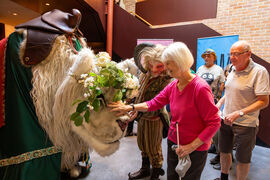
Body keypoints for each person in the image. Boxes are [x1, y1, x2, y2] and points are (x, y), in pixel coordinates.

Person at [109, 42, 221, 180]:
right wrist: (131, 107)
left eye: (168, 63)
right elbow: (154, 102)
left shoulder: (200, 88)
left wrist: (191, 147)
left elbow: (214, 123)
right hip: (174, 142)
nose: (165, 68)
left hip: (195, 149)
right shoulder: (174, 84)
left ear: (180, 62)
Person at [215, 40, 270, 180]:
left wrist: (239, 113)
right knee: (224, 152)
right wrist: (220, 104)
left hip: (246, 123)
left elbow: (263, 101)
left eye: (236, 54)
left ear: (248, 54)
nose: (232, 57)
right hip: (225, 119)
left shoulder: (259, 72)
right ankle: (223, 177)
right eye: (231, 54)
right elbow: (230, 91)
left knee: (243, 158)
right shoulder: (232, 68)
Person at [121, 43, 171, 180]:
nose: (156, 69)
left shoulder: (166, 79)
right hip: (141, 116)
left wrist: (135, 110)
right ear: (149, 63)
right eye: (153, 65)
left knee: (154, 148)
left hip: (155, 118)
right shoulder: (145, 75)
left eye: (160, 66)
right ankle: (145, 169)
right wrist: (132, 104)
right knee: (142, 144)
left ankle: (155, 172)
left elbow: (157, 102)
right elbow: (140, 93)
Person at [196, 48, 225, 168]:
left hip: (212, 100)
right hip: (199, 101)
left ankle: (220, 154)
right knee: (200, 124)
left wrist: (218, 97)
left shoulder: (218, 69)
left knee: (215, 126)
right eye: (205, 56)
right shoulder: (200, 68)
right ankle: (200, 145)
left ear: (214, 57)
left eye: (209, 56)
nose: (206, 58)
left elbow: (222, 83)